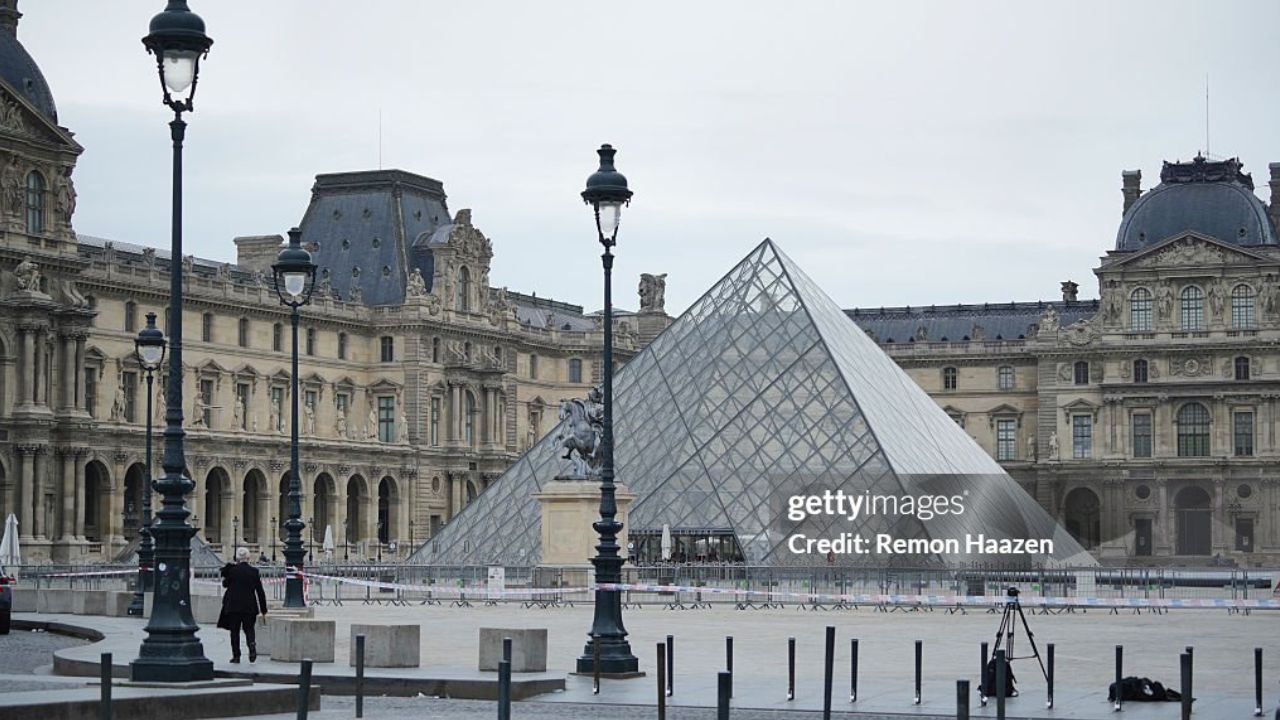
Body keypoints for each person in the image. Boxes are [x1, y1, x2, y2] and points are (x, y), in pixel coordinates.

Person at [220, 546, 268, 663]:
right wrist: (263, 609)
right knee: (249, 629)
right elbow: (260, 591)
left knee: (234, 631)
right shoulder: (254, 572)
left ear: (237, 558)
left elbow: (225, 584)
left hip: (234, 606)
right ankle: (251, 646)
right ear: (248, 557)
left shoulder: (232, 571)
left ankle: (236, 656)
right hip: (249, 606)